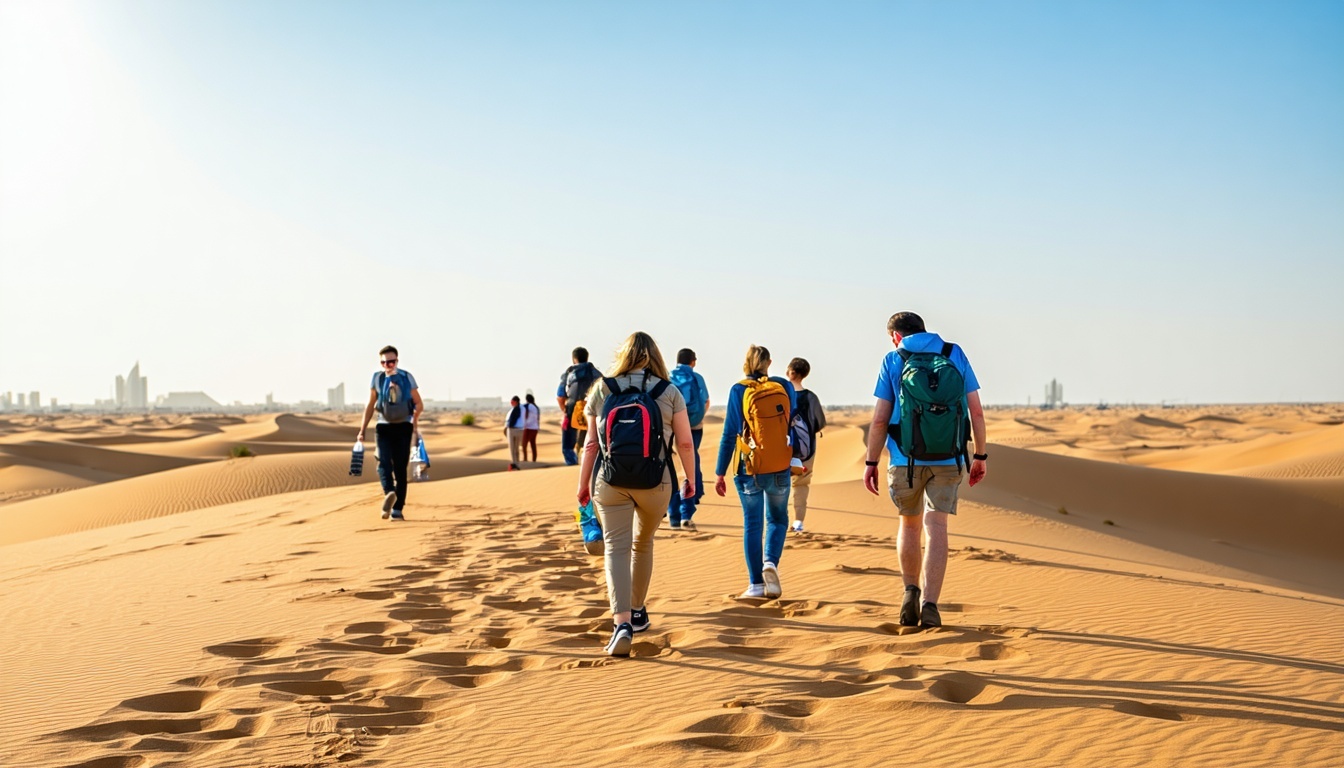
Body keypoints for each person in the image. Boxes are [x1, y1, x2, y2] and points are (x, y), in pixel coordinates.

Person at [862, 312, 987, 628]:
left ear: (896, 336)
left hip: (906, 460)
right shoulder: (953, 353)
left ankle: (910, 592)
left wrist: (871, 461)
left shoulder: (893, 358)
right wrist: (980, 456)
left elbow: (879, 419)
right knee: (937, 527)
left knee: (910, 525)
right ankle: (931, 605)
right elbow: (976, 412)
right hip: (949, 458)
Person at [577, 332, 697, 657]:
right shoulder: (668, 391)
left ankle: (622, 625)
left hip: (610, 481)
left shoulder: (603, 388)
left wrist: (582, 484)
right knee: (641, 544)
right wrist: (691, 479)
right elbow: (685, 443)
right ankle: (638, 610)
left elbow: (590, 444)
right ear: (656, 356)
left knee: (615, 548)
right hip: (657, 482)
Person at [715, 345, 797, 599]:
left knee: (753, 524)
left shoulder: (738, 390)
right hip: (779, 466)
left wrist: (719, 471)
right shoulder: (784, 385)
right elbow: (791, 420)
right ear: (769, 363)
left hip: (747, 466)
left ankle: (756, 585)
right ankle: (770, 562)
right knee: (779, 519)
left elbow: (730, 433)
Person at [357, 345, 424, 521]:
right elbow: (370, 404)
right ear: (381, 363)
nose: (388, 365)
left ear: (397, 361)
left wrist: (415, 420)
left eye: (391, 361)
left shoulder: (406, 377)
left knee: (400, 468)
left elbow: (419, 403)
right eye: (385, 362)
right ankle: (390, 493)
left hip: (403, 427)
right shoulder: (377, 378)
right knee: (383, 462)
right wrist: (362, 429)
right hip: (383, 427)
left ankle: (397, 510)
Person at [666, 348, 710, 531]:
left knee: (671, 469)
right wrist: (695, 418)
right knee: (689, 468)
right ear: (693, 361)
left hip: (671, 427)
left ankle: (673, 516)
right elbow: (706, 401)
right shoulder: (697, 378)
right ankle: (686, 513)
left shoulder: (667, 377)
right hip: (694, 428)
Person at [786, 357, 826, 533]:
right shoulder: (811, 397)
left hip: (780, 448)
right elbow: (819, 423)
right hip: (806, 451)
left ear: (791, 372)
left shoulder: (781, 394)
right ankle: (798, 523)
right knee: (801, 485)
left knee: (778, 484)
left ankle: (777, 521)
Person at [557, 347, 602, 465]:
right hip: (592, 408)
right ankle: (591, 463)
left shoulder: (568, 374)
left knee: (567, 442)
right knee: (594, 438)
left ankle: (571, 464)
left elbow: (560, 396)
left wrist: (565, 411)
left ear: (574, 359)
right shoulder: (595, 372)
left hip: (572, 408)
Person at [504, 395, 524, 470]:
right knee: (516, 448)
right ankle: (517, 463)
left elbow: (512, 420)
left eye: (512, 401)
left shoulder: (516, 409)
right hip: (519, 430)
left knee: (513, 448)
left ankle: (515, 463)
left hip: (513, 429)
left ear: (516, 402)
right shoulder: (521, 408)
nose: (511, 403)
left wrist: (509, 426)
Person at [521, 393, 540, 463]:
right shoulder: (536, 407)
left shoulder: (528, 406)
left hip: (529, 427)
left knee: (524, 444)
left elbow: (525, 414)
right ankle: (534, 460)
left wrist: (524, 423)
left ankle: (525, 459)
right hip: (535, 428)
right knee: (533, 444)